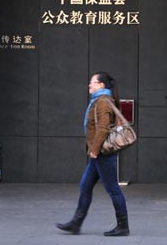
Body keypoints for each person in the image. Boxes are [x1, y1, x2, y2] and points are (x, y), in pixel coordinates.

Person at [56, 71, 130, 237]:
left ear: (101, 85)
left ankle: (123, 225)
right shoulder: (98, 100)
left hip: (102, 154)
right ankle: (76, 223)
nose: (89, 85)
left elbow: (103, 128)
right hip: (97, 154)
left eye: (93, 82)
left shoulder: (102, 102)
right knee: (85, 186)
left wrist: (95, 151)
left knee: (113, 190)